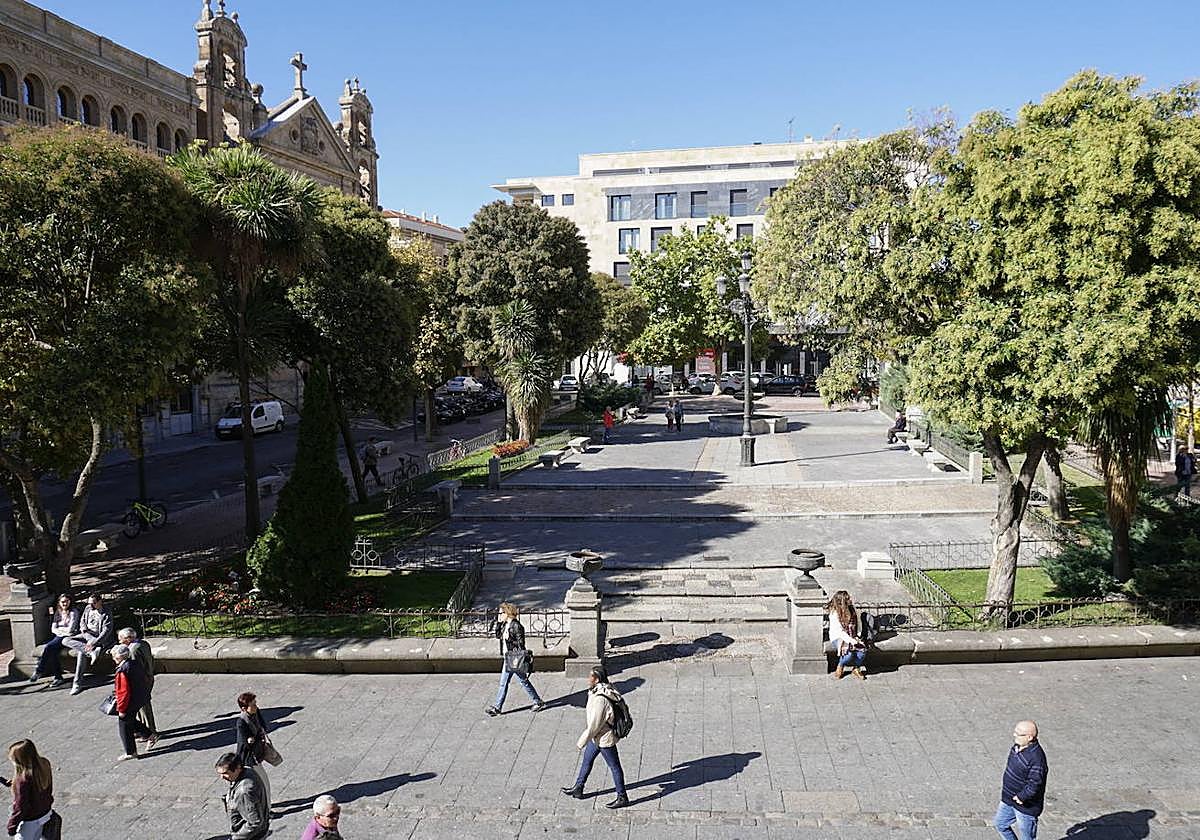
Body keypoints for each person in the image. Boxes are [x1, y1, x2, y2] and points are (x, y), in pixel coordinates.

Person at [561, 665, 628, 809]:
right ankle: (578, 787)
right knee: (587, 761)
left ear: (597, 679)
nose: (588, 679)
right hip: (597, 737)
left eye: (590, 676)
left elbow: (595, 725)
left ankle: (622, 796)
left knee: (614, 767)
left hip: (604, 738)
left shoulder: (600, 700)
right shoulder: (599, 690)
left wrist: (581, 741)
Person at [485, 602, 545, 717]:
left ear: (508, 613)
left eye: (501, 613)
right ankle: (538, 701)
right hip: (508, 658)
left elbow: (521, 643)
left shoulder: (517, 626)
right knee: (521, 681)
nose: (499, 615)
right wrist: (498, 623)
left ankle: (498, 707)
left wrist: (510, 640)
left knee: (507, 683)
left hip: (514, 659)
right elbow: (497, 635)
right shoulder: (504, 625)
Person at [994, 720, 1048, 840]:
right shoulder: (1017, 747)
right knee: (1000, 824)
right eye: (1015, 732)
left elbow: (1035, 784)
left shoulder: (1037, 759)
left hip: (1026, 806)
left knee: (1027, 838)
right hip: (1008, 799)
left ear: (1029, 737)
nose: (1014, 735)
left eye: (1018, 734)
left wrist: (1021, 797)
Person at [62, 593, 113, 695]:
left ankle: (77, 684)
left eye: (94, 603)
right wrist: (83, 629)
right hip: (86, 635)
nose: (91, 605)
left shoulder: (106, 612)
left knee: (81, 654)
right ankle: (91, 652)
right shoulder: (88, 608)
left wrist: (94, 642)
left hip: (99, 639)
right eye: (89, 603)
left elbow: (106, 631)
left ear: (100, 602)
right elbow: (82, 621)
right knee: (65, 640)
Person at [111, 644, 155, 760]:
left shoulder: (122, 670)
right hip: (139, 698)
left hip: (130, 701)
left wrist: (121, 709)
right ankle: (149, 734)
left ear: (119, 657)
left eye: (114, 656)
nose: (113, 658)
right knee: (130, 720)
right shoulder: (134, 663)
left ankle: (131, 751)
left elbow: (123, 692)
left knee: (124, 725)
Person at [3, 740, 54, 840]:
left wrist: (11, 826)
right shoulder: (43, 764)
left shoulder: (23, 780)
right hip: (45, 813)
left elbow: (21, 807)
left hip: (30, 821)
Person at [27, 594, 79, 687]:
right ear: (59, 603)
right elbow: (53, 628)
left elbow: (71, 629)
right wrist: (61, 631)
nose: (65, 603)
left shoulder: (73, 612)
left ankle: (40, 671)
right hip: (59, 637)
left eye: (67, 601)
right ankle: (58, 677)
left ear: (70, 602)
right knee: (52, 651)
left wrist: (60, 631)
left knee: (49, 647)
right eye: (62, 602)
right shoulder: (58, 612)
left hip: (68, 637)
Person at [215, 752, 269, 840]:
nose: (222, 777)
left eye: (225, 773)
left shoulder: (244, 791)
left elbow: (255, 822)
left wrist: (236, 837)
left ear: (238, 768)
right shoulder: (247, 770)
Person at [235, 692, 274, 813]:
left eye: (255, 703)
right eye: (253, 704)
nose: (256, 706)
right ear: (243, 708)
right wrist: (254, 738)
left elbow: (263, 726)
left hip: (257, 753)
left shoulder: (256, 712)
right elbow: (246, 742)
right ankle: (267, 810)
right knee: (263, 783)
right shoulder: (241, 722)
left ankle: (264, 806)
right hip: (249, 758)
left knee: (255, 783)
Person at [117, 628, 156, 739]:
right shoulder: (144, 643)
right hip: (148, 676)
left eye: (121, 639)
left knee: (143, 707)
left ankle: (149, 731)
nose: (120, 642)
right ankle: (144, 730)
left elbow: (134, 668)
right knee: (142, 705)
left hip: (141, 681)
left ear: (129, 639)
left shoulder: (132, 650)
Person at [827, 590, 867, 680]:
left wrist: (858, 635)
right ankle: (840, 666)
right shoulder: (834, 613)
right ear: (842, 602)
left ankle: (856, 668)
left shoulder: (852, 609)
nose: (850, 599)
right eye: (847, 598)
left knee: (862, 651)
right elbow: (840, 632)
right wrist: (852, 641)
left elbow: (858, 622)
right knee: (848, 654)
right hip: (839, 637)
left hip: (853, 635)